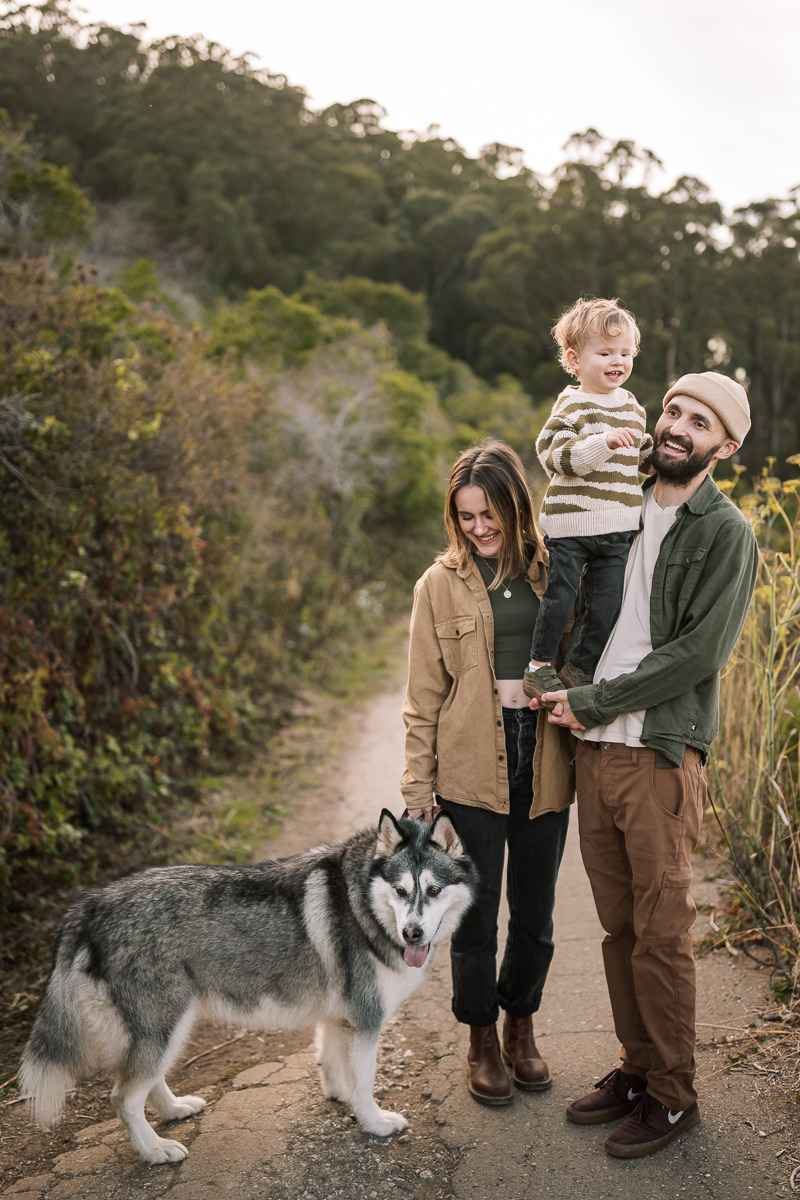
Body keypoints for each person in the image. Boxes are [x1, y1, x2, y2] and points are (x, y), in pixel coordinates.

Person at [533, 371, 759, 1158]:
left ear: (724, 448)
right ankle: (637, 1068)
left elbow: (699, 654)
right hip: (595, 753)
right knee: (619, 927)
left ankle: (673, 1096)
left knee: (661, 933)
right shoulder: (619, 502)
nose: (678, 426)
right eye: (673, 410)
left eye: (699, 422)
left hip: (657, 754)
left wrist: (592, 701)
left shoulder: (724, 532)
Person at [401, 440, 575, 1106]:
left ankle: (520, 1027)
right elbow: (422, 698)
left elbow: (579, 656)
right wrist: (417, 794)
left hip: (546, 760)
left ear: (514, 504)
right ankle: (479, 1040)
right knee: (473, 918)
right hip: (470, 767)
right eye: (466, 515)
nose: (478, 528)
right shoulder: (437, 583)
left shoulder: (553, 570)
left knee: (536, 913)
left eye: (489, 513)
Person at [523, 297, 653, 703]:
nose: (618, 361)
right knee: (560, 598)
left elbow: (637, 459)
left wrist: (652, 453)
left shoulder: (633, 407)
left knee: (607, 605)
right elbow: (556, 457)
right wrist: (602, 442)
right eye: (606, 353)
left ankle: (579, 666)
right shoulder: (571, 404)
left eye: (625, 353)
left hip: (617, 527)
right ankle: (539, 666)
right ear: (574, 359)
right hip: (573, 524)